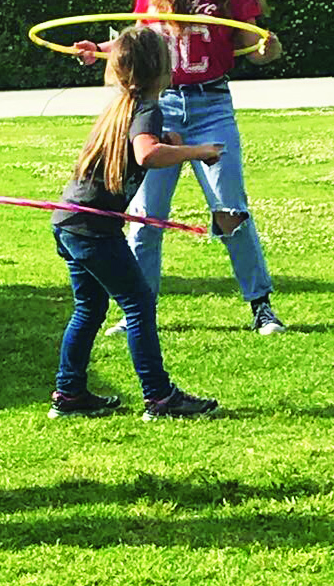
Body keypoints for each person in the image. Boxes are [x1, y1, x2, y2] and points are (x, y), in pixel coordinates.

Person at [76, 0, 285, 336]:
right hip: (161, 107)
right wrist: (101, 51)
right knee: (145, 217)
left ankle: (261, 307)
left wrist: (269, 49)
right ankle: (138, 311)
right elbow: (139, 40)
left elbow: (257, 48)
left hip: (212, 104)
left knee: (231, 210)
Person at [50, 25, 221, 421]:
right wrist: (197, 151)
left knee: (89, 308)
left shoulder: (122, 105)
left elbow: (142, 142)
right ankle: (160, 398)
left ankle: (69, 394)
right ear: (162, 68)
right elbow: (145, 155)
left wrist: (171, 138)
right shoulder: (147, 108)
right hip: (93, 228)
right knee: (139, 304)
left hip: (70, 221)